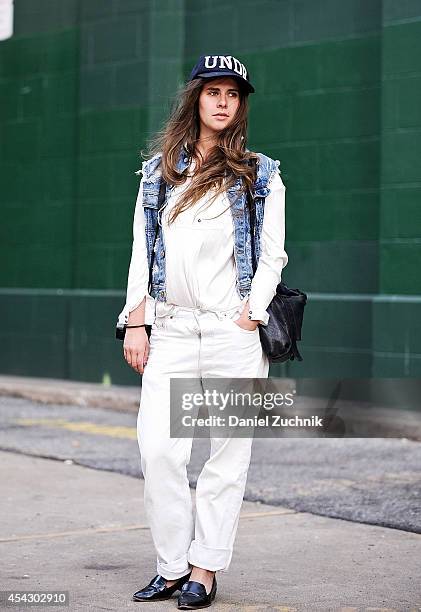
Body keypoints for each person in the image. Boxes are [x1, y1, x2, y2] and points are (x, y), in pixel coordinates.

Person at [117, 54, 288, 609]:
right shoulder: (159, 171)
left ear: (240, 106)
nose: (222, 101)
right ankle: (170, 566)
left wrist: (252, 314)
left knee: (226, 456)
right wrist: (136, 322)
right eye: (212, 91)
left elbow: (272, 255)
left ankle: (204, 569)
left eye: (233, 94)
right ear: (195, 98)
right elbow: (142, 253)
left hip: (230, 333)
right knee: (160, 452)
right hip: (169, 330)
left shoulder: (260, 172)